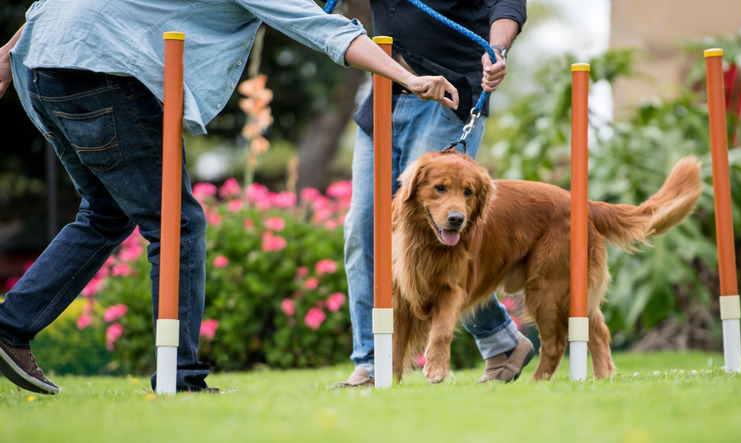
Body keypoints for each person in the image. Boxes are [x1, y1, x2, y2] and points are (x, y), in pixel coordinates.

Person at [0, 0, 460, 395]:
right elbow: (324, 30)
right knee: (177, 223)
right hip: (102, 71)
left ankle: (12, 325)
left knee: (105, 213)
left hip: (42, 64)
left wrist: (7, 52)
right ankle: (179, 377)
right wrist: (408, 77)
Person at [334, 0, 534, 388]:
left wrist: (498, 50)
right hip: (383, 90)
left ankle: (490, 342)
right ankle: (373, 361)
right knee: (363, 230)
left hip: (449, 96)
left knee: (442, 240)